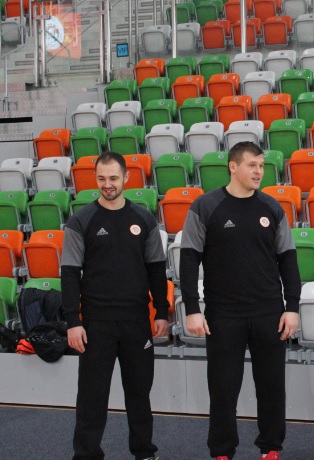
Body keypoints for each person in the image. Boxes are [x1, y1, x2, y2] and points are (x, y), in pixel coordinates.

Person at [179, 141, 300, 460]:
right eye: (252, 165)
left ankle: (271, 448)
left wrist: (292, 307)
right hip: (223, 314)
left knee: (272, 387)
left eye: (261, 165)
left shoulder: (272, 208)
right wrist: (192, 309)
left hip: (268, 311)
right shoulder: (205, 206)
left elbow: (288, 259)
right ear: (233, 167)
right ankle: (222, 451)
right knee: (223, 389)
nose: (259, 171)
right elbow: (189, 259)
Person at [62, 151, 169, 460]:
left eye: (113, 178)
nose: (107, 184)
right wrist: (73, 322)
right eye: (101, 178)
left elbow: (156, 270)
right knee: (92, 398)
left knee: (139, 395)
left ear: (126, 178)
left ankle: (144, 452)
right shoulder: (81, 221)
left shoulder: (144, 219)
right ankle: (86, 455)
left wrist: (161, 313)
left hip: (136, 322)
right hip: (96, 324)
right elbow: (69, 274)